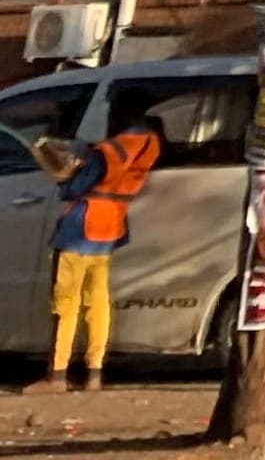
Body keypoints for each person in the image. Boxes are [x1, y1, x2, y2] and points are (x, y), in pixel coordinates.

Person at [22, 110, 161, 392]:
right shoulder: (148, 147)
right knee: (97, 304)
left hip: (79, 228)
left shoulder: (111, 150)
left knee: (65, 305)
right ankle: (94, 374)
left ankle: (57, 375)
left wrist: (62, 172)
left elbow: (74, 188)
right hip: (109, 229)